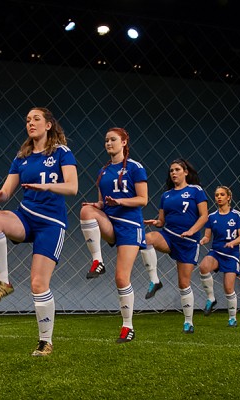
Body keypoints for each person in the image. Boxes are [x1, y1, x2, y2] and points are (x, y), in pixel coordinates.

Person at [0, 107, 78, 357]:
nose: (30, 123)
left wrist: (47, 187)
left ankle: (45, 342)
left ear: (48, 125)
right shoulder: (21, 157)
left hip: (50, 224)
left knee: (38, 283)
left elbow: (73, 187)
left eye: (36, 119)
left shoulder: (61, 153)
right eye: (27, 120)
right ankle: (2, 283)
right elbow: (6, 193)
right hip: (26, 216)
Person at [80, 128, 148, 343]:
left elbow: (142, 199)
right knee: (85, 211)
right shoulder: (103, 171)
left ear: (124, 141)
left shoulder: (136, 168)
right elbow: (102, 201)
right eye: (106, 140)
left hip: (129, 225)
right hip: (110, 222)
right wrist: (96, 205)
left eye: (113, 140)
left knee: (121, 278)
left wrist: (120, 202)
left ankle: (128, 327)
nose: (109, 143)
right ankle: (97, 261)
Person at [141, 158, 208, 333]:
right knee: (147, 239)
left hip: (188, 242)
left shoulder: (196, 191)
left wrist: (192, 231)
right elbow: (162, 221)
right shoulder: (166, 195)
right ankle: (155, 280)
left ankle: (188, 321)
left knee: (183, 283)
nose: (173, 173)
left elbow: (204, 216)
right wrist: (156, 222)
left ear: (185, 172)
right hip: (169, 236)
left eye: (177, 169)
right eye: (171, 170)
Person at [199, 186, 240, 328]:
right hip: (217, 252)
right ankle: (211, 298)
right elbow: (208, 236)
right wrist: (203, 240)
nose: (219, 197)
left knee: (228, 288)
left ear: (228, 197)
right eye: (216, 195)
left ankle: (232, 318)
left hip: (231, 255)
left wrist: (233, 242)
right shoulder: (212, 217)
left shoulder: (236, 215)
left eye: (222, 194)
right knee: (203, 266)